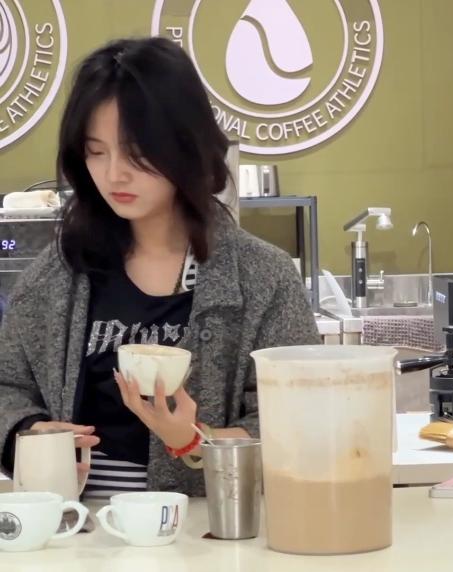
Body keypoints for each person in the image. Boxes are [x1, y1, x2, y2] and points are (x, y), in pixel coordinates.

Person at [0, 37, 320, 498]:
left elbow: (301, 421)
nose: (114, 174)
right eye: (96, 151)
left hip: (207, 526)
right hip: (82, 528)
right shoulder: (58, 274)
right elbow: (7, 386)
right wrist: (28, 430)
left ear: (186, 145)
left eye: (135, 151)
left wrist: (194, 440)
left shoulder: (262, 277)